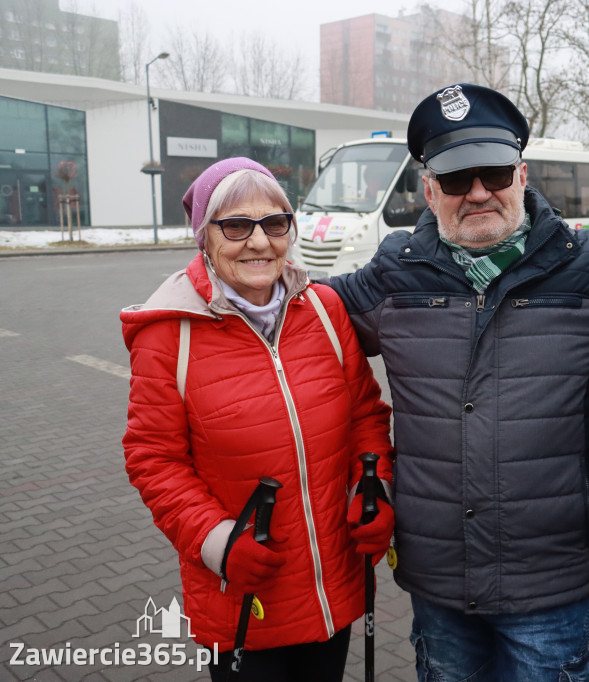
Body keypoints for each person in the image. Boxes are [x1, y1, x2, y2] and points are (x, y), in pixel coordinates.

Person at [322, 83, 589, 681]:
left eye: (493, 174)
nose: (477, 193)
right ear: (427, 190)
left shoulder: (588, 265)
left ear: (522, 175)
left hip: (550, 579)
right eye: (454, 180)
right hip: (439, 580)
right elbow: (300, 322)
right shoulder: (396, 269)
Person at [121, 157, 395, 682]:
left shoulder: (324, 311)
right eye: (235, 225)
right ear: (205, 236)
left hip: (332, 583)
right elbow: (153, 460)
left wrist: (375, 486)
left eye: (274, 223)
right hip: (243, 595)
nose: (259, 242)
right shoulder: (167, 336)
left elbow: (365, 413)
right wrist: (217, 542)